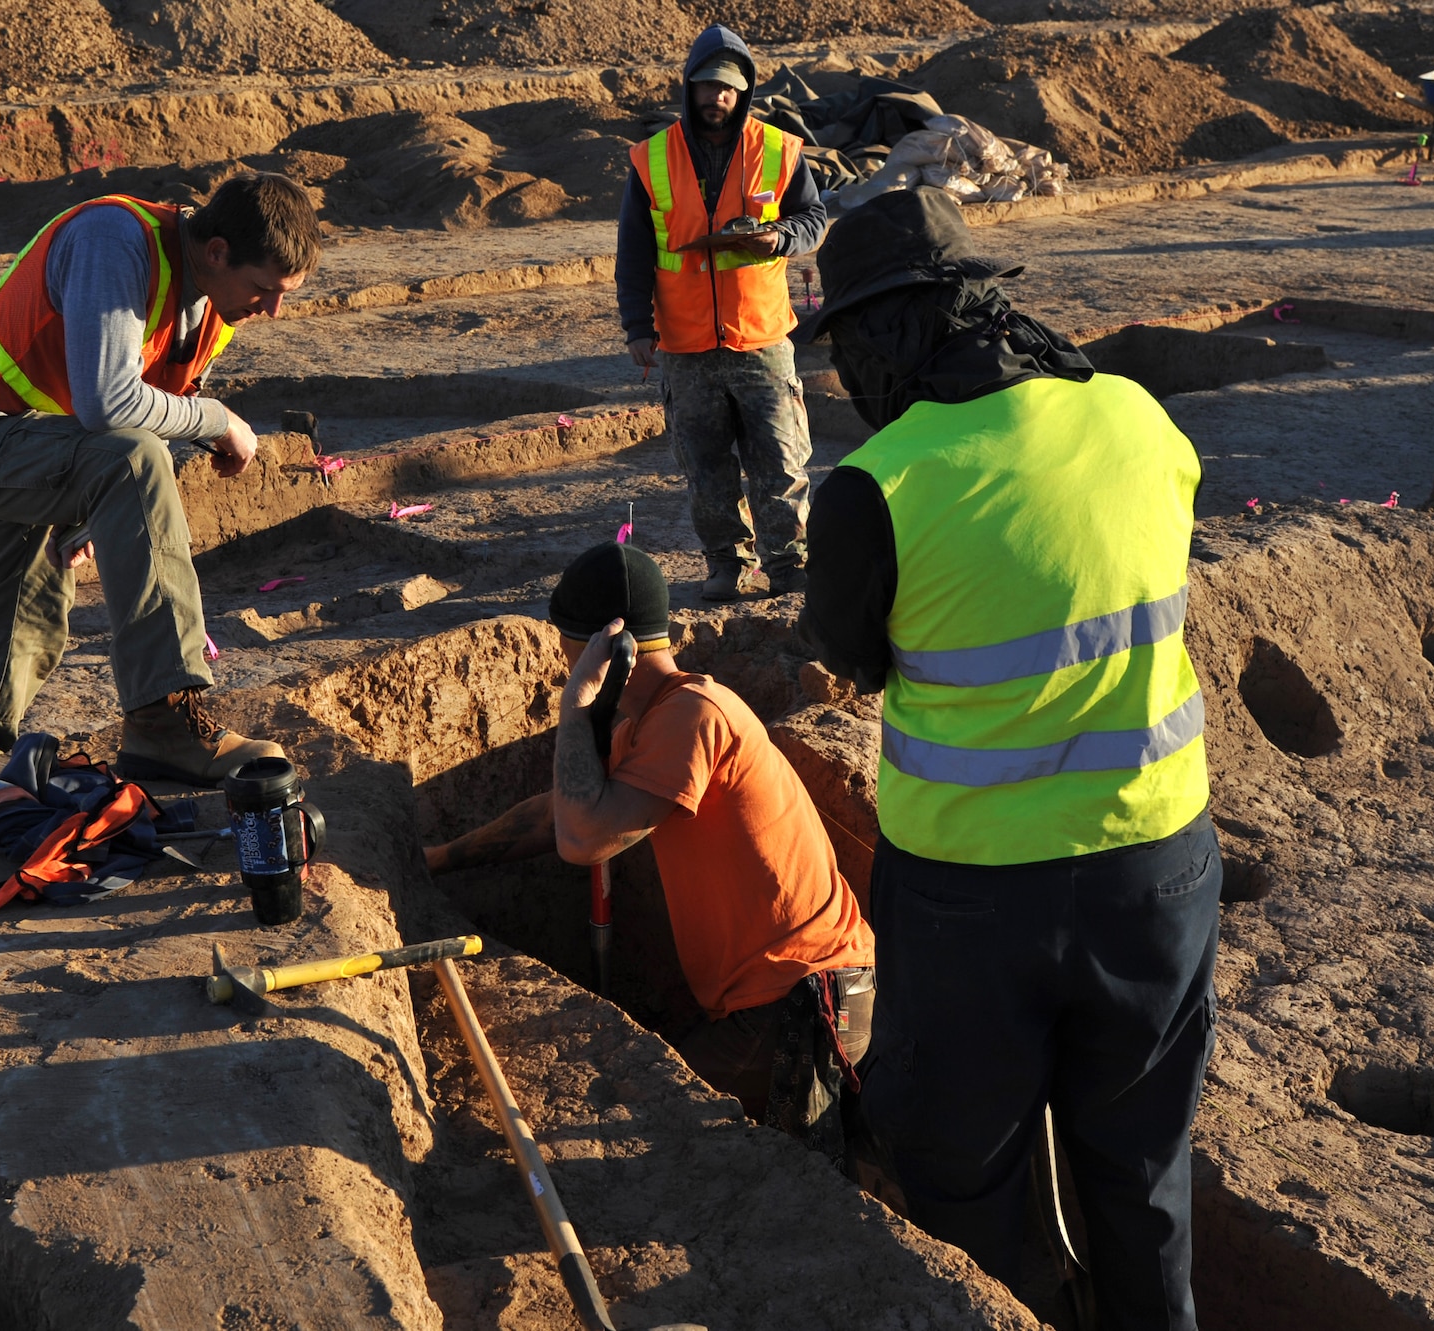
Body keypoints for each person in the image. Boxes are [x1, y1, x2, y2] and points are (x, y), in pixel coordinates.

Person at [795, 187, 1222, 1328]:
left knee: (966, 1184)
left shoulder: (876, 486)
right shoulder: (1138, 417)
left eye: (845, 346)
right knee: (1141, 1170)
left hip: (969, 901)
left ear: (887, 332)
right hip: (1158, 869)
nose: (841, 378)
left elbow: (856, 658)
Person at [425, 542, 875, 1149]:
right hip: (793, 997)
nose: (566, 670)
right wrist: (436, 860)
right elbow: (564, 812)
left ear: (606, 650)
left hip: (804, 1005)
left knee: (650, 1124)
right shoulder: (655, 719)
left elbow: (584, 841)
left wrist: (576, 707)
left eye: (570, 656)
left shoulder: (695, 715)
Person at [0, 173, 317, 784]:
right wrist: (218, 420)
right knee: (130, 463)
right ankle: (163, 722)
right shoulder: (113, 240)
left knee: (29, 613)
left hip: (41, 444)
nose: (273, 309)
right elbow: (108, 406)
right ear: (218, 250)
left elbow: (147, 405)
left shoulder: (211, 298)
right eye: (265, 288)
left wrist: (100, 509)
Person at [616, 25, 828, 602]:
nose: (718, 98)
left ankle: (787, 565)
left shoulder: (779, 150)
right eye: (708, 87)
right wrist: (638, 326)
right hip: (685, 347)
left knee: (780, 460)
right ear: (690, 89)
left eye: (729, 89)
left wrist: (780, 238)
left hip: (760, 337)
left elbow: (814, 220)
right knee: (705, 467)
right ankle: (726, 564)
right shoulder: (652, 159)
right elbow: (633, 252)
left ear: (745, 91)